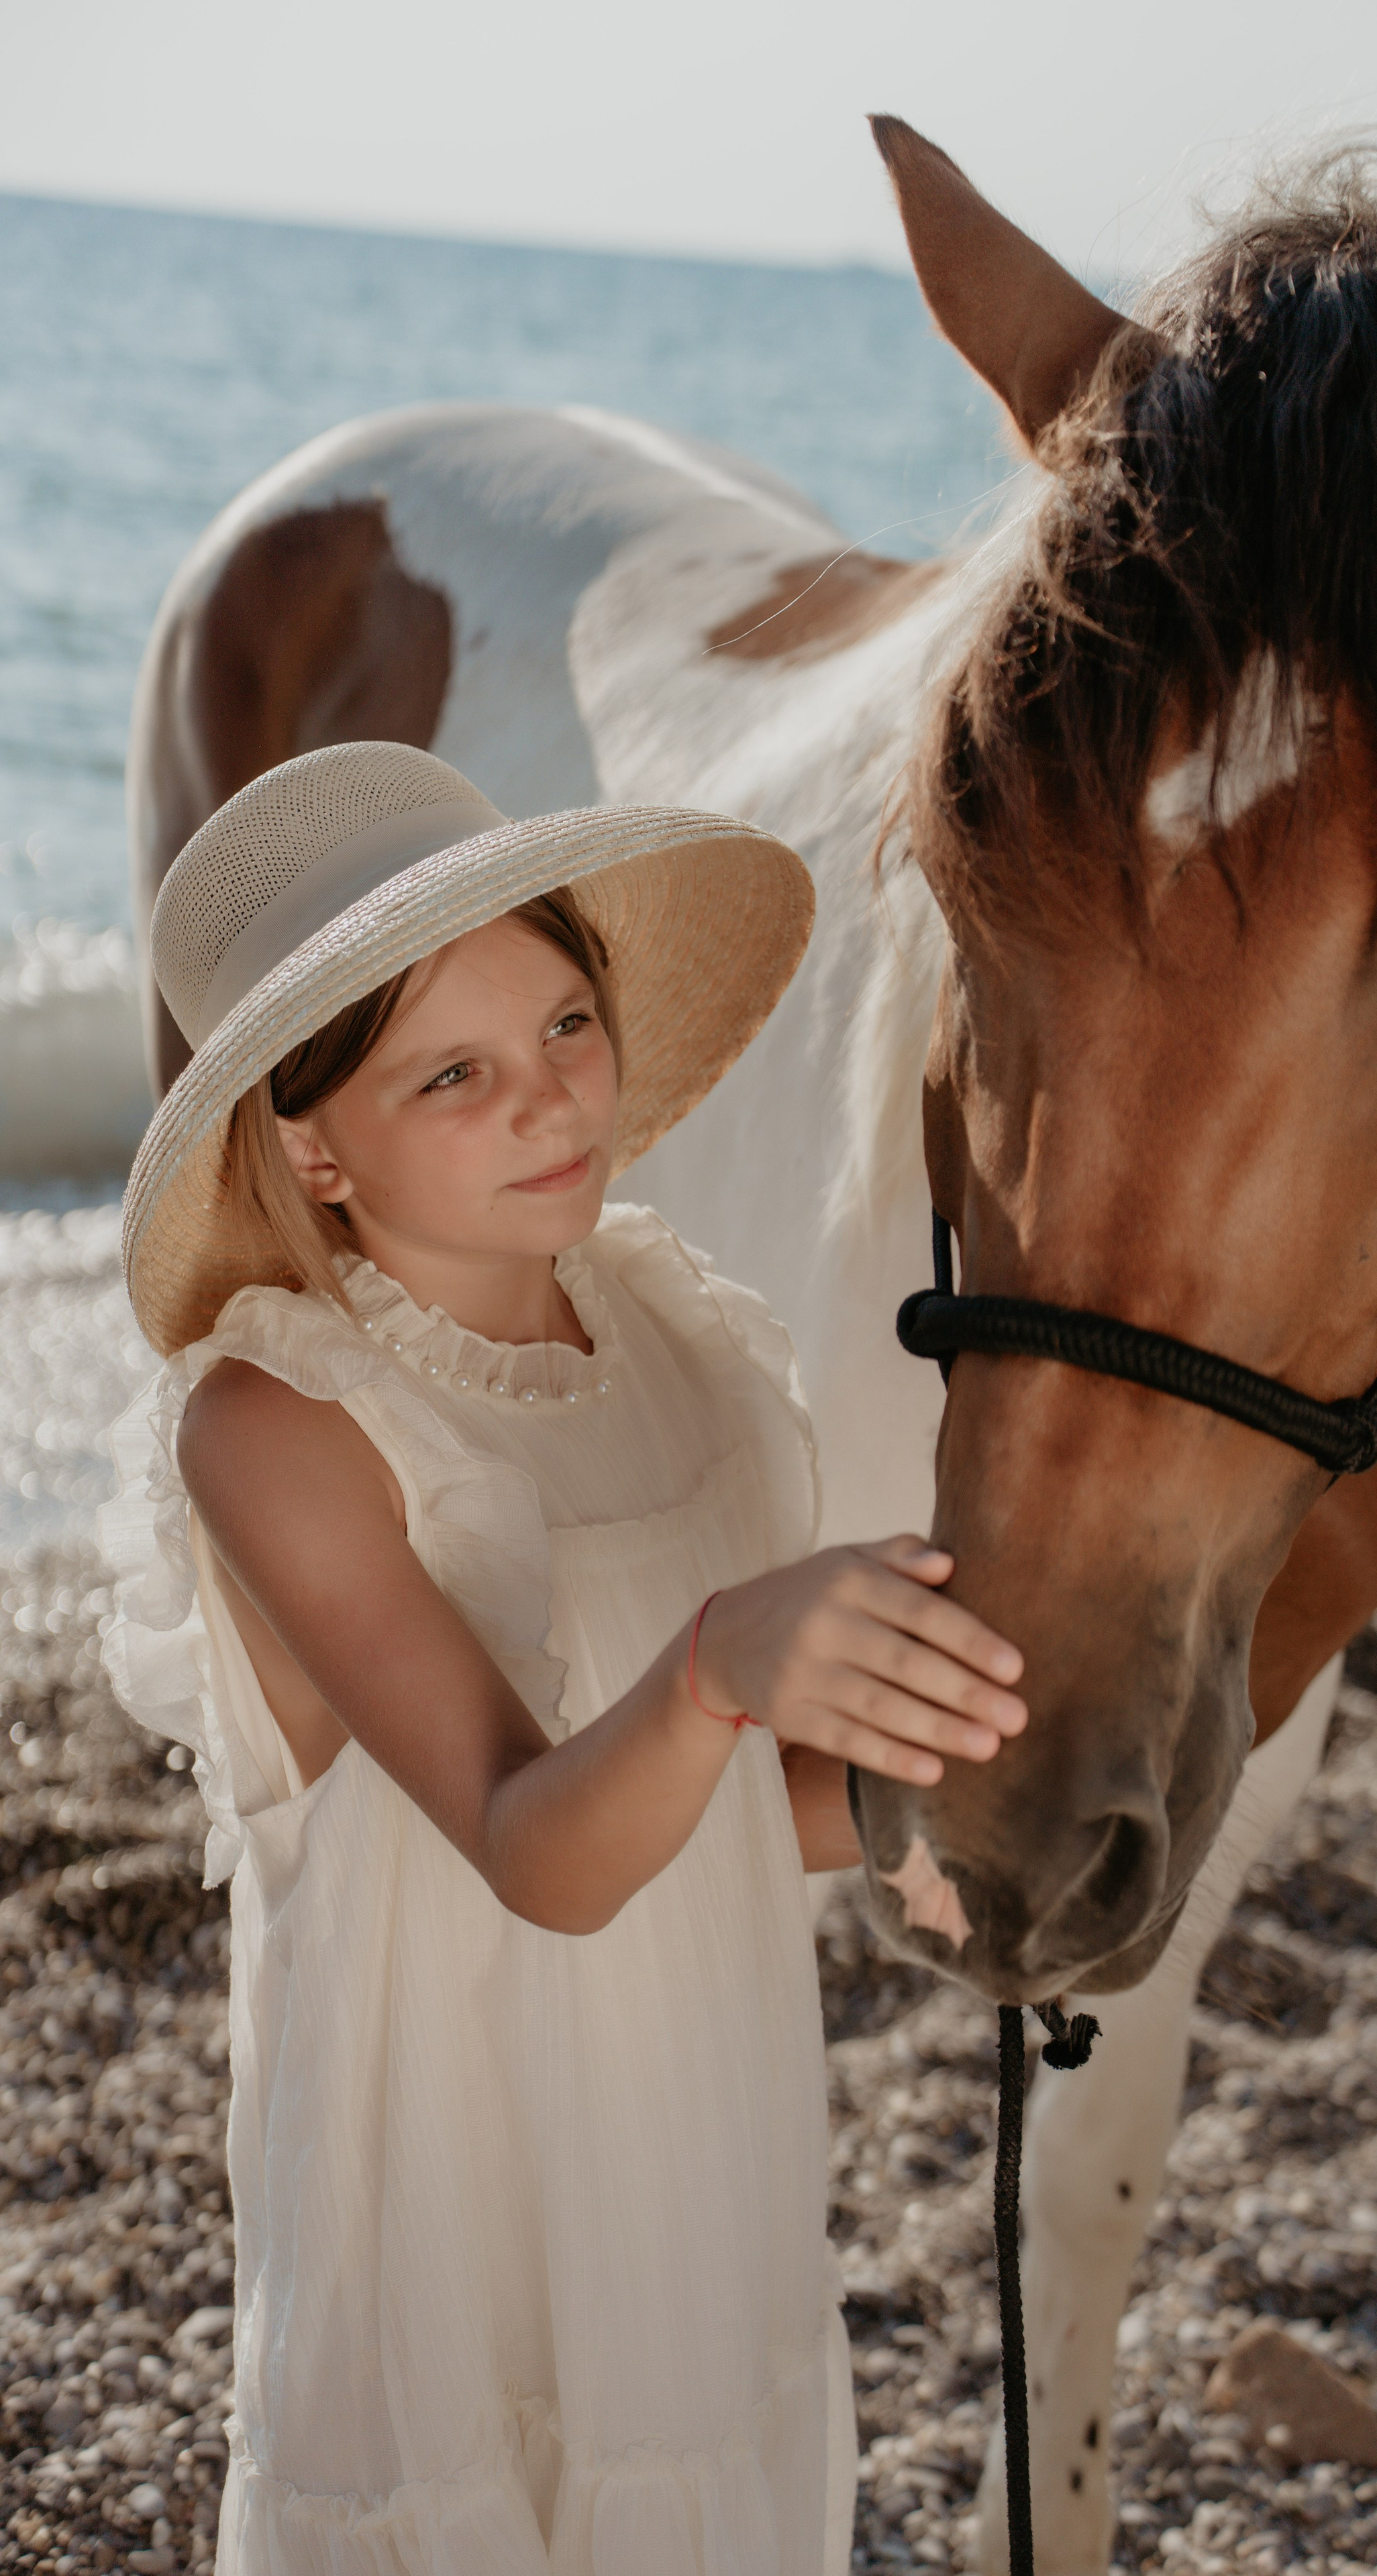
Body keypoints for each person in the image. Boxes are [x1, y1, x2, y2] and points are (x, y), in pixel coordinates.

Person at [100, 742, 1027, 2575]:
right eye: (455, 1074)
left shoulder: (673, 1329)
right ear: (309, 1144)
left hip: (688, 2138)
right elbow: (538, 1846)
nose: (552, 1102)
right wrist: (718, 1662)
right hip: (457, 2185)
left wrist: (948, 1786)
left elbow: (728, 1817)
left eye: (570, 1025)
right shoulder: (283, 1424)